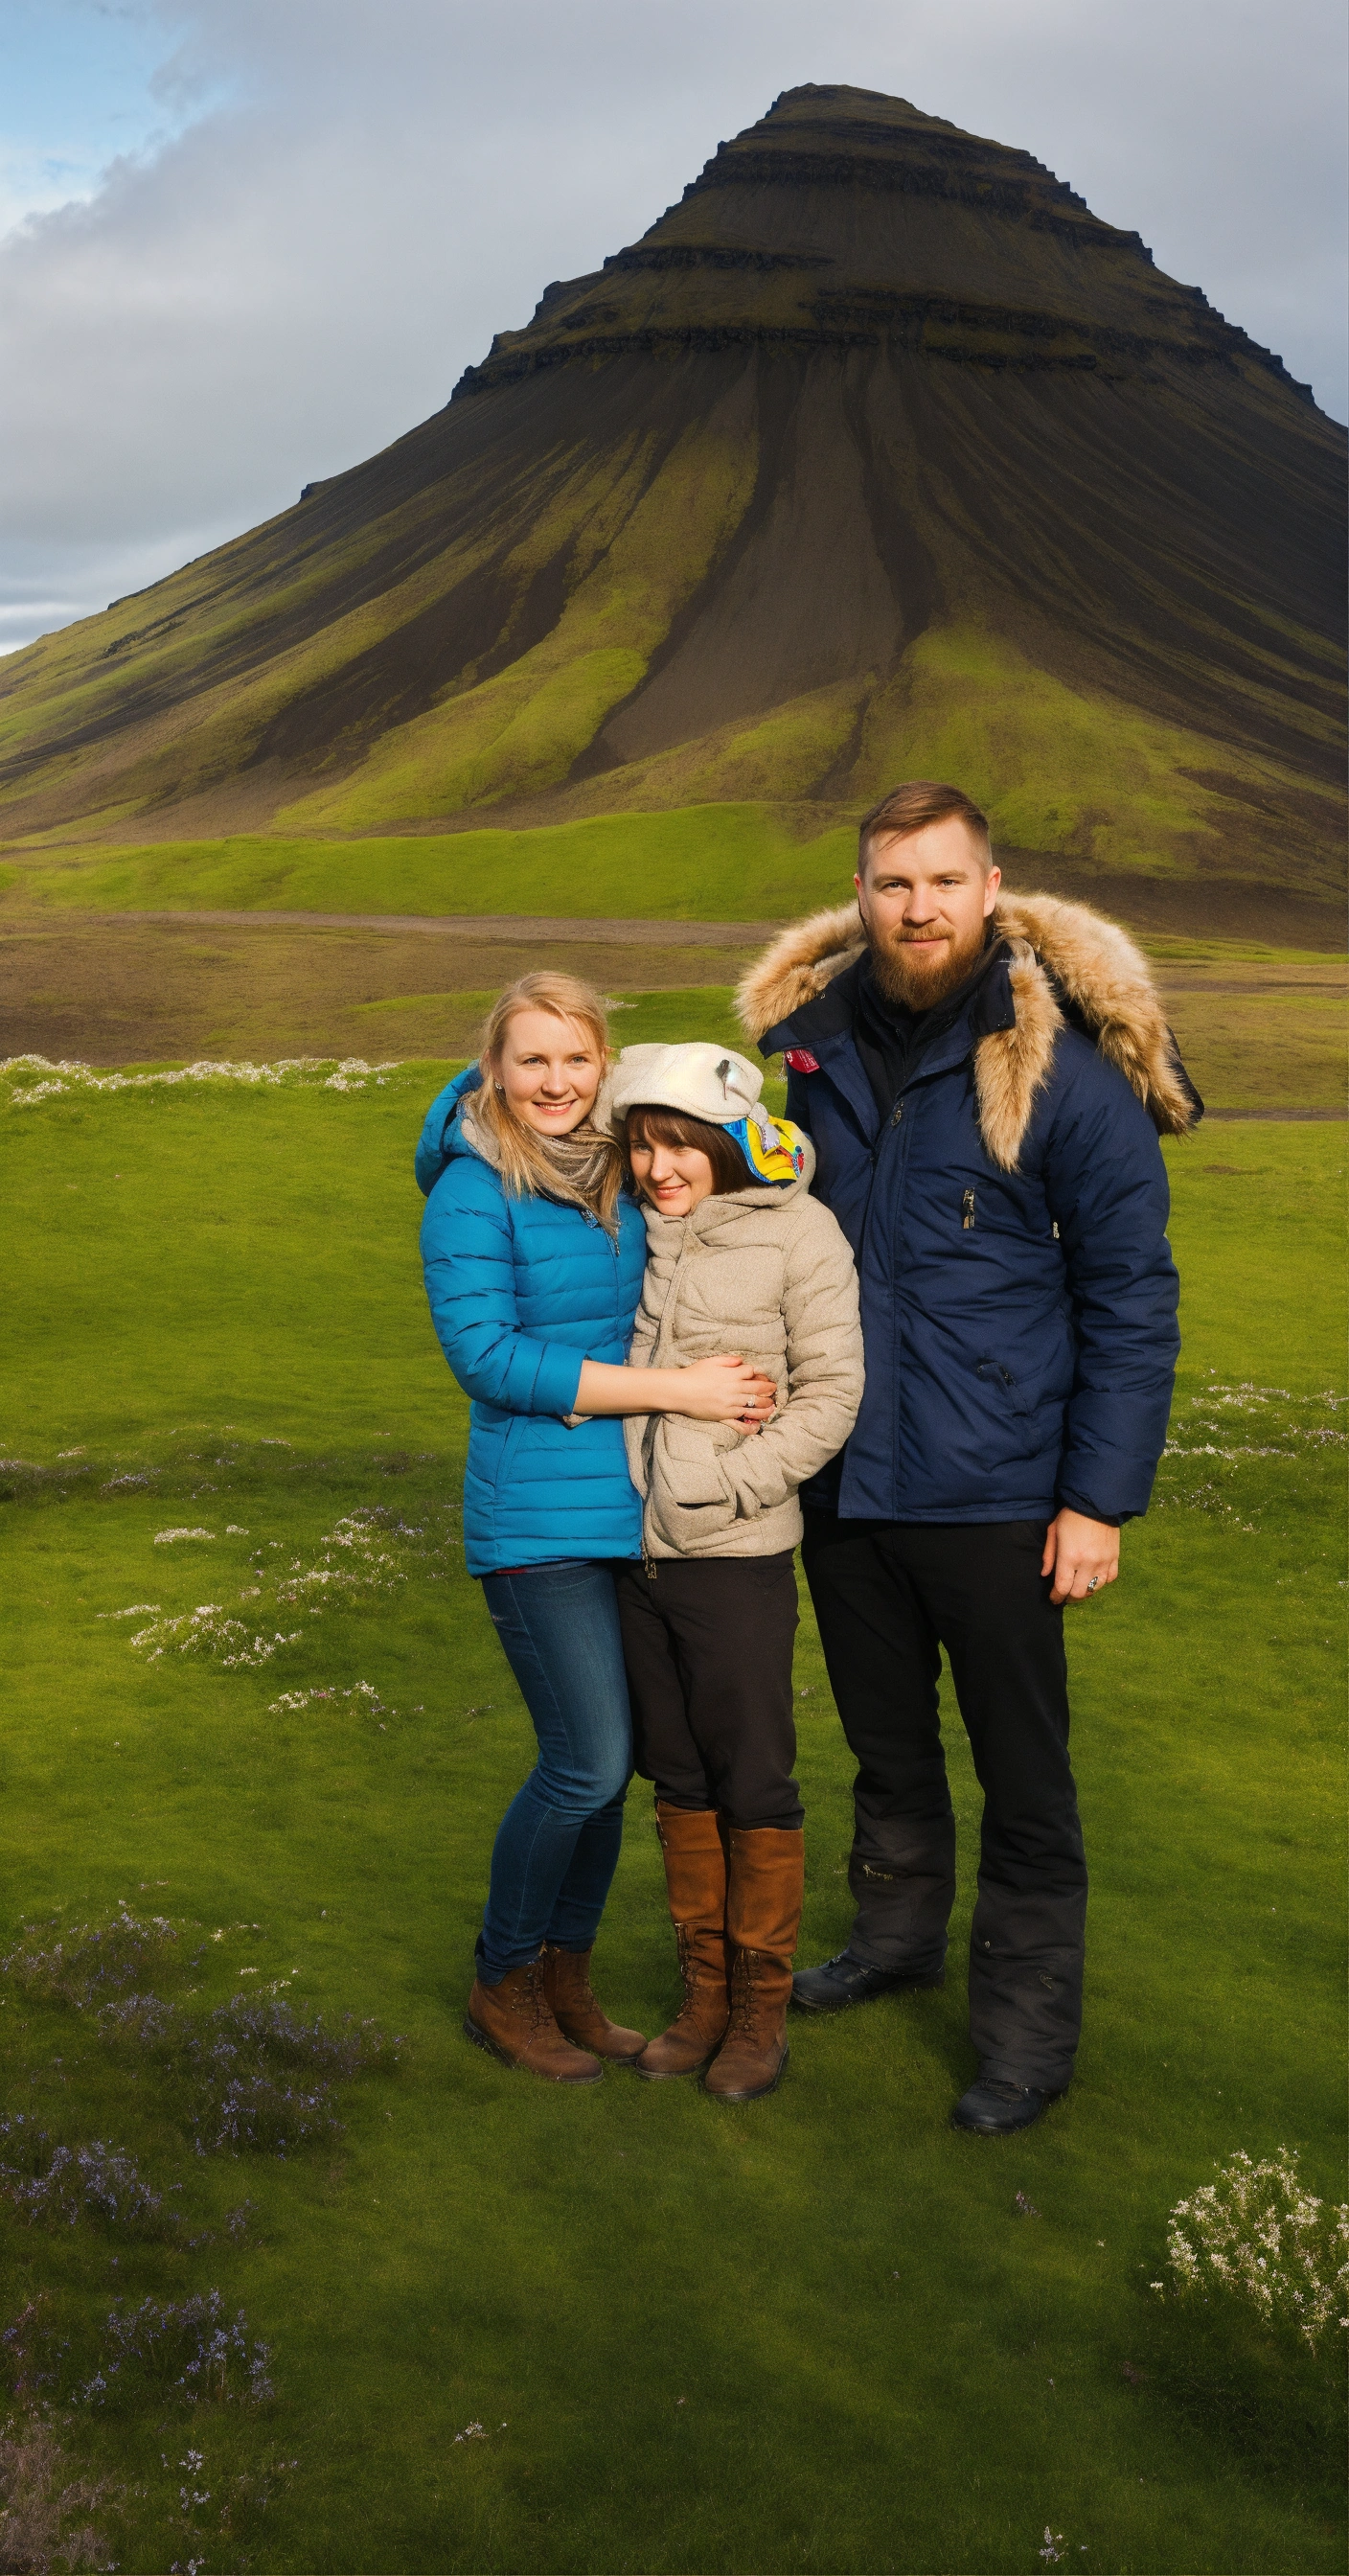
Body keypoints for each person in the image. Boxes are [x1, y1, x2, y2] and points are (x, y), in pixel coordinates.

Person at [736, 782, 1200, 2134]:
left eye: (945, 881)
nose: (919, 907)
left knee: (1023, 1777)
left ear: (990, 891)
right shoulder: (807, 1050)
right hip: (844, 1479)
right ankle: (893, 1942)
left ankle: (1025, 2039)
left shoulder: (1063, 1069)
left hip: (999, 1490)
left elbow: (1130, 1293)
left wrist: (1097, 1499)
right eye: (894, 883)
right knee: (885, 1745)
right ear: (860, 894)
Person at [416, 975, 776, 2085]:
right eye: (531, 1060)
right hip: (535, 1522)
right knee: (585, 1764)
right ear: (493, 1068)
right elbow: (489, 1359)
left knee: (615, 1770)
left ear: (604, 1066)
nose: (555, 1082)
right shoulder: (472, 1190)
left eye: (576, 1059)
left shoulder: (617, 1166)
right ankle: (502, 1979)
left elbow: (747, 1166)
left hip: (634, 1511)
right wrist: (673, 1391)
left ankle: (566, 1981)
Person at [606, 1042, 864, 2101]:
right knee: (677, 1777)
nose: (659, 1168)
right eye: (640, 1146)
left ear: (726, 1141)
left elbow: (832, 1393)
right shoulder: (632, 1231)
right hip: (634, 1556)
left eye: (679, 1145)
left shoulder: (800, 1232)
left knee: (752, 1778)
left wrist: (728, 1487)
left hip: (734, 1555)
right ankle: (704, 1997)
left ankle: (760, 2014)